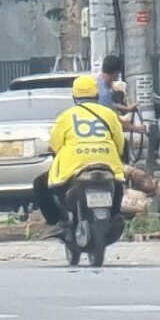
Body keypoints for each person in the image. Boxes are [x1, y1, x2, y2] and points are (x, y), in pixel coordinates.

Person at [34, 73, 128, 226]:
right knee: (118, 184)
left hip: (74, 166)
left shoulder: (66, 116)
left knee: (40, 184)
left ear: (74, 96)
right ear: (96, 94)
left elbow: (55, 145)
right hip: (107, 164)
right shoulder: (109, 114)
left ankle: (56, 223)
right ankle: (116, 214)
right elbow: (120, 144)